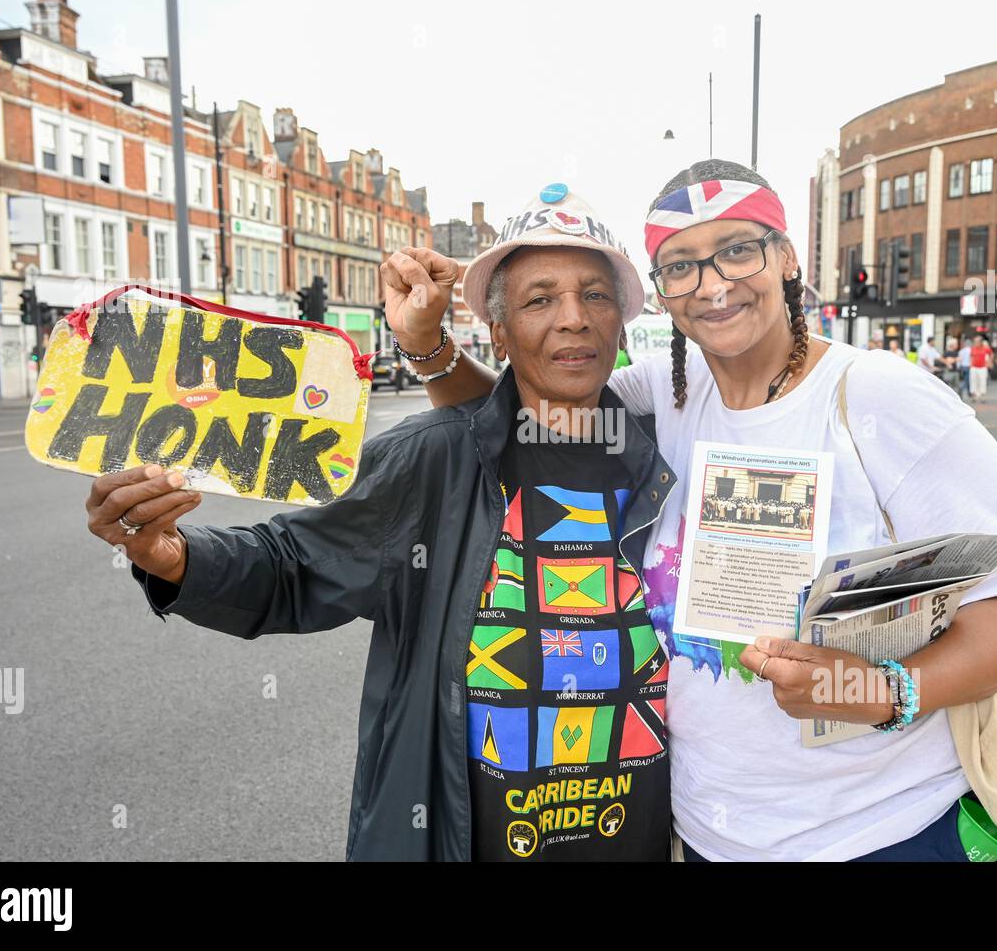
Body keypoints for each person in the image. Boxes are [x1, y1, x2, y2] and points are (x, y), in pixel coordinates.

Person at [406, 159, 997, 862]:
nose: (714, 284)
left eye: (738, 250)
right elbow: (521, 415)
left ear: (786, 257)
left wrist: (879, 692)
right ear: (662, 294)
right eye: (682, 266)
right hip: (711, 837)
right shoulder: (664, 396)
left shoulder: (880, 399)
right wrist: (428, 345)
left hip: (883, 832)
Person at [85, 190, 676, 861]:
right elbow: (292, 565)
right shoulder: (434, 459)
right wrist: (173, 557)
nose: (573, 319)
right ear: (500, 332)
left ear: (623, 325)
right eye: (540, 299)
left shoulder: (664, 460)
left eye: (596, 296)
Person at [968, 335, 994, 403]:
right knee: (973, 381)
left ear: (980, 342)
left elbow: (991, 354)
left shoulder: (985, 348)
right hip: (974, 367)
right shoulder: (972, 348)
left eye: (977, 341)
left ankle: (982, 397)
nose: (975, 343)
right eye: (975, 341)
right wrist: (970, 363)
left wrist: (989, 362)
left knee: (982, 381)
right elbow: (971, 356)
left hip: (982, 367)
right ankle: (974, 396)